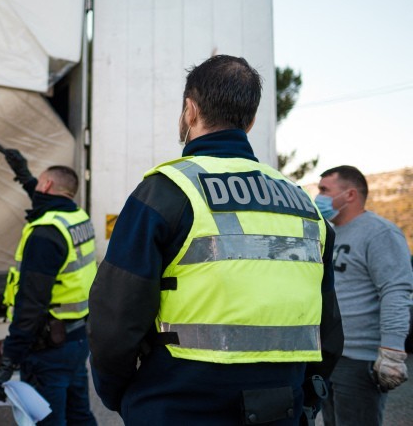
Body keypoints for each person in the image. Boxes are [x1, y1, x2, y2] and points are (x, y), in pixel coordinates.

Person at [87, 55, 344, 425]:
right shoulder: (305, 206)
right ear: (251, 120)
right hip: (277, 409)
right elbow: (329, 328)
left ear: (190, 111)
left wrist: (123, 395)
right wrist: (302, 396)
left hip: (175, 407)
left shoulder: (165, 192)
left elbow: (114, 319)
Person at [0, 149, 97, 426]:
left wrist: (8, 362)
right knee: (79, 415)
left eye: (38, 183)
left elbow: (31, 305)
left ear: (47, 185)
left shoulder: (45, 234)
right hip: (76, 340)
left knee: (47, 421)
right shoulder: (77, 218)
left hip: (48, 348)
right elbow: (43, 201)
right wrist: (23, 174)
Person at [316, 165, 413, 426]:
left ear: (349, 195)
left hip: (359, 359)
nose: (319, 197)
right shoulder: (326, 232)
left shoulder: (380, 232)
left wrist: (392, 350)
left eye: (325, 190)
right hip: (327, 354)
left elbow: (395, 290)